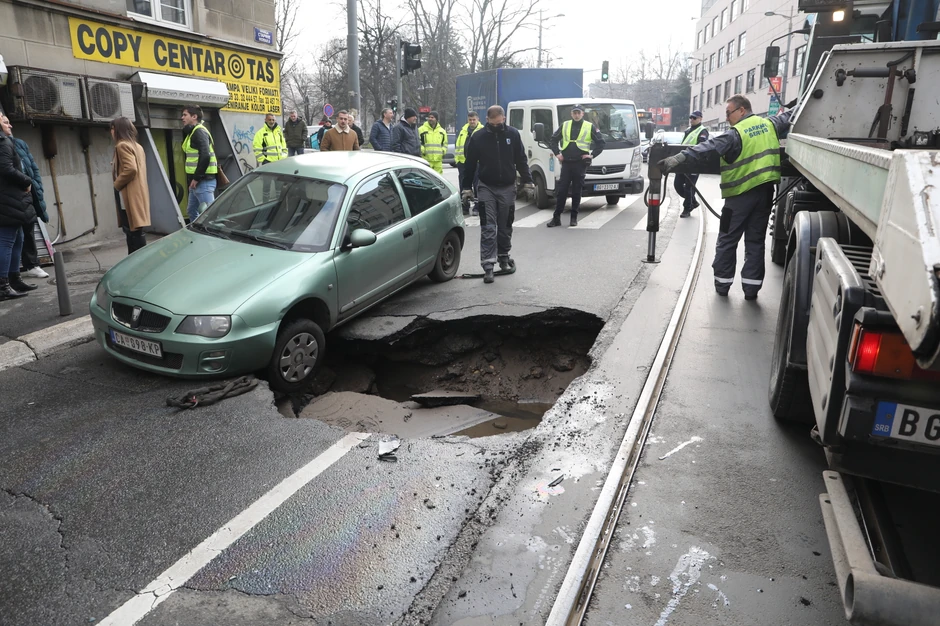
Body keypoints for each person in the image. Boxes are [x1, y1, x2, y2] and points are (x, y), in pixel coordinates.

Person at [659, 94, 792, 300]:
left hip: (739, 197)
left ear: (741, 110)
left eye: (729, 113)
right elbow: (790, 116)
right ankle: (751, 289)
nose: (727, 118)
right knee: (756, 242)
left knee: (728, 240)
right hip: (765, 195)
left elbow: (707, 148)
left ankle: (722, 285)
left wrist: (678, 158)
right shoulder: (769, 124)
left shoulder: (735, 134)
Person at [461, 105, 534, 284]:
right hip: (486, 186)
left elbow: (521, 159)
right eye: (494, 124)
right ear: (487, 120)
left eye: (500, 124)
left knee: (505, 225)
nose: (497, 127)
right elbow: (469, 164)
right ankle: (488, 266)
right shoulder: (478, 137)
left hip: (508, 187)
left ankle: (503, 257)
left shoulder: (512, 134)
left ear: (504, 120)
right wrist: (466, 188)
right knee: (488, 226)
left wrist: (528, 181)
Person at [546, 104, 605, 228]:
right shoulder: (565, 125)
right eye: (575, 113)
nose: (577, 115)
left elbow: (601, 143)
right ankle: (556, 218)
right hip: (566, 163)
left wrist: (591, 155)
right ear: (571, 114)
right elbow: (553, 139)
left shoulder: (589, 126)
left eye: (579, 113)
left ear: (583, 114)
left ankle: (574, 218)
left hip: (580, 164)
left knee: (577, 191)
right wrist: (557, 154)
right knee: (562, 191)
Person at [0, 114, 37, 299]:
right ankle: (3, 286)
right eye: (5, 122)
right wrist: (27, 181)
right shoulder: (3, 142)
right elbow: (6, 168)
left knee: (18, 239)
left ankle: (14, 279)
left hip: (9, 199)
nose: (10, 125)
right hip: (8, 199)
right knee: (7, 241)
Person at [10, 127, 49, 278]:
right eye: (5, 122)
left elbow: (33, 167)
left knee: (28, 229)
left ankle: (32, 265)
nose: (10, 126)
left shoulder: (19, 144)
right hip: (11, 195)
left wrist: (36, 184)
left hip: (27, 194)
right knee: (12, 235)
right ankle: (11, 273)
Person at [111, 116, 150, 254]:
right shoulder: (137, 146)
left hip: (129, 194)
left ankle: (135, 261)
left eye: (112, 128)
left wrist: (117, 184)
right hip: (139, 193)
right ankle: (139, 259)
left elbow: (131, 169)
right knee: (137, 230)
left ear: (116, 130)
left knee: (131, 230)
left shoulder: (122, 145)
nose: (111, 131)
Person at [180, 105, 217, 222]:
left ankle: (211, 239)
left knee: (209, 215)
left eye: (185, 115)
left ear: (194, 116)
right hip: (196, 182)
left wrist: (196, 178)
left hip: (203, 181)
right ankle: (196, 236)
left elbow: (205, 156)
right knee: (192, 211)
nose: (182, 118)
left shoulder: (199, 132)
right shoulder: (193, 132)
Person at [674, 110, 709, 218]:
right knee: (677, 185)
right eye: (691, 118)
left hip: (694, 164)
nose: (692, 120)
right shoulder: (688, 130)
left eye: (694, 118)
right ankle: (693, 201)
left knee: (689, 187)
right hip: (683, 162)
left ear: (700, 119)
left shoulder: (703, 131)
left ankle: (687, 208)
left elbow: (701, 146)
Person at [454, 111, 481, 216]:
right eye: (470, 120)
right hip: (463, 163)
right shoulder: (463, 131)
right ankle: (465, 207)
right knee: (464, 186)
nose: (472, 122)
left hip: (477, 163)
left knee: (477, 185)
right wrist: (458, 161)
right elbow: (458, 146)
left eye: (474, 119)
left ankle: (477, 207)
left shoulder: (481, 131)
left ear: (478, 119)